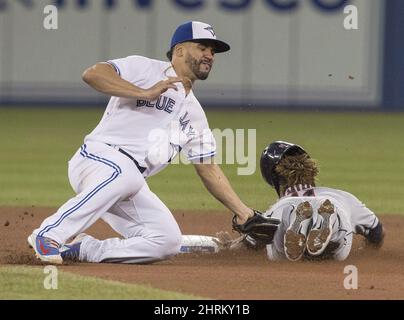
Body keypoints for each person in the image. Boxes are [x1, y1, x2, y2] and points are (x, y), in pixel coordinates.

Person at [28, 21, 256, 264]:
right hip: (98, 158)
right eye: (202, 47)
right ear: (179, 50)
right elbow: (92, 74)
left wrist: (244, 213)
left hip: (129, 184)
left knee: (166, 241)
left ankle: (83, 249)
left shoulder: (196, 115)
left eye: (213, 51)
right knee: (127, 176)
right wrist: (142, 92)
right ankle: (49, 233)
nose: (209, 55)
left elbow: (208, 168)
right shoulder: (145, 69)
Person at [219, 141, 385, 262]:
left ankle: (298, 223)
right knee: (337, 223)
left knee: (282, 226)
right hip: (335, 206)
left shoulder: (277, 207)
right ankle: (326, 223)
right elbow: (376, 232)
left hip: (287, 208)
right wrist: (367, 253)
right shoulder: (344, 197)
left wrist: (229, 246)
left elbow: (251, 243)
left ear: (274, 178)